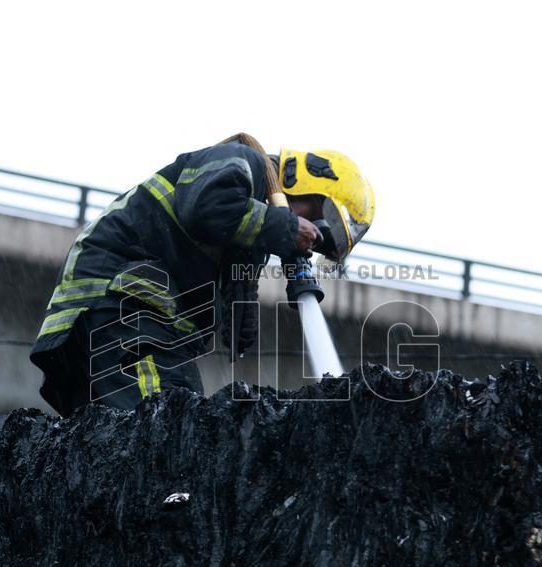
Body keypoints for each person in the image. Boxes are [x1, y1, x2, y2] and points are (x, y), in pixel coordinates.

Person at [29, 136, 374, 415]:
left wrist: (243, 315)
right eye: (314, 219)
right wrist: (283, 227)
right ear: (305, 178)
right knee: (168, 420)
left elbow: (229, 261)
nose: (310, 236)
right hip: (123, 312)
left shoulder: (250, 228)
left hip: (123, 324)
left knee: (132, 443)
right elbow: (206, 208)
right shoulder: (242, 160)